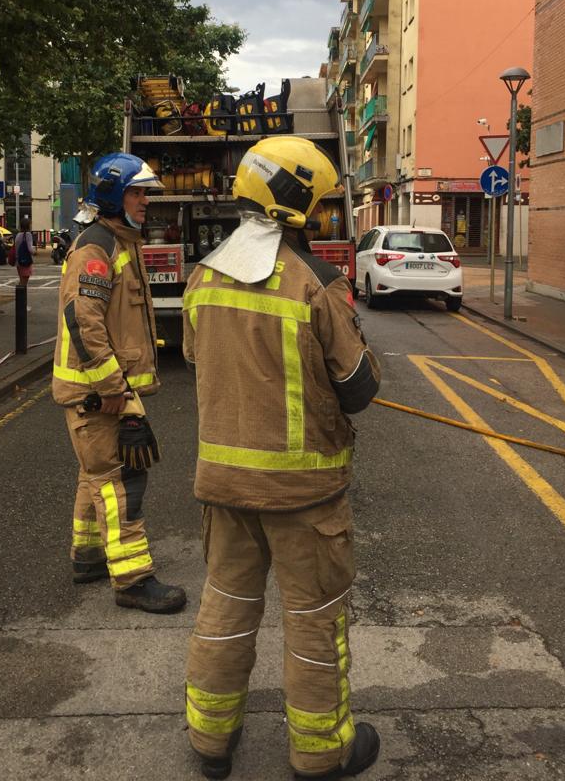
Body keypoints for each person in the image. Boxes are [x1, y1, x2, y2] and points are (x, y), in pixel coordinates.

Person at [182, 136, 381, 781]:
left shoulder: (202, 277)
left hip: (224, 487)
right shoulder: (315, 284)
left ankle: (211, 741)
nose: (324, 216)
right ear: (296, 205)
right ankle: (320, 754)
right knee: (314, 622)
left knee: (226, 608)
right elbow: (358, 388)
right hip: (304, 495)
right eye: (321, 204)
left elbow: (198, 359)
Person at [52, 152, 186, 614]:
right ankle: (132, 579)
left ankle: (88, 557)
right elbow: (83, 321)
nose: (146, 200)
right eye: (137, 192)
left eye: (146, 192)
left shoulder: (118, 242)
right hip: (98, 394)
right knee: (120, 482)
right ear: (112, 195)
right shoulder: (96, 248)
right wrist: (112, 388)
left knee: (96, 476)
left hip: (100, 392)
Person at [14, 216, 35, 289]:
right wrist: (34, 251)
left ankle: (20, 295)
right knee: (24, 282)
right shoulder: (28, 235)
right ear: (28, 225)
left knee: (21, 280)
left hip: (18, 260)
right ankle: (21, 295)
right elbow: (30, 249)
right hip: (26, 261)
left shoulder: (18, 235)